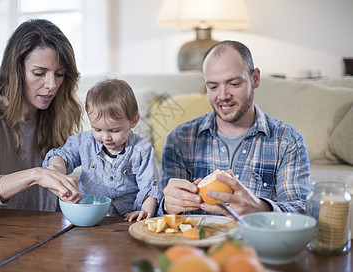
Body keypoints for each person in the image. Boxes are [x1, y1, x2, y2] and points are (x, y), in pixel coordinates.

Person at [159, 40, 311, 217]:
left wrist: (260, 207)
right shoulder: (179, 140)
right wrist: (167, 206)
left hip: (255, 244)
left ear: (255, 78)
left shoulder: (287, 142)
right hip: (194, 243)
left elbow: (300, 212)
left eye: (234, 84)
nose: (223, 96)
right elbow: (162, 218)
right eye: (213, 86)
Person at [0, 19, 84, 213]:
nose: (52, 85)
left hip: (33, 235)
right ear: (15, 71)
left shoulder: (56, 116)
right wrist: (35, 175)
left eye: (59, 74)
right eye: (39, 73)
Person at [43, 78, 160, 221]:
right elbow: (62, 155)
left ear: (133, 121)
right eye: (97, 129)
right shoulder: (84, 142)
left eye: (114, 130)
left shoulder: (142, 149)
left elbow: (150, 187)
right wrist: (56, 167)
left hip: (126, 218)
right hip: (88, 214)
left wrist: (144, 212)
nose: (106, 137)